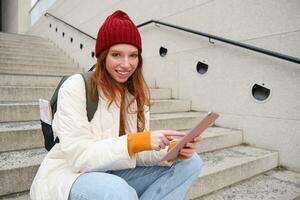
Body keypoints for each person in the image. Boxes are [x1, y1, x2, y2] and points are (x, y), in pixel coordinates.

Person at [30, 10, 203, 200]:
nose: (126, 64)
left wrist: (171, 150)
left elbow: (137, 154)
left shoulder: (136, 94)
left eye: (133, 55)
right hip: (70, 175)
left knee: (190, 162)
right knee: (117, 190)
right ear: (103, 56)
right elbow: (79, 157)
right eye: (117, 54)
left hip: (114, 171)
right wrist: (135, 142)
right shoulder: (76, 86)